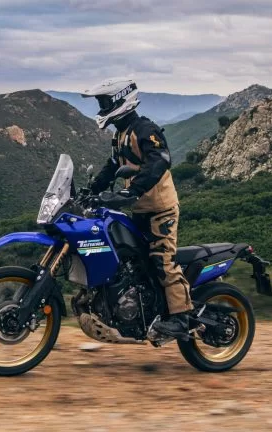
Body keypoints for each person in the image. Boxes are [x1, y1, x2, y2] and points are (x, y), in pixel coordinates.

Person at [81, 77, 193, 336]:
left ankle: (182, 318)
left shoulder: (145, 129)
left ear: (121, 100)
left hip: (160, 209)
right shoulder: (120, 134)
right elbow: (112, 166)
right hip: (140, 210)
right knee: (132, 261)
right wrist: (91, 191)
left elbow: (160, 160)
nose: (101, 107)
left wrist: (131, 190)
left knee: (162, 259)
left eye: (105, 102)